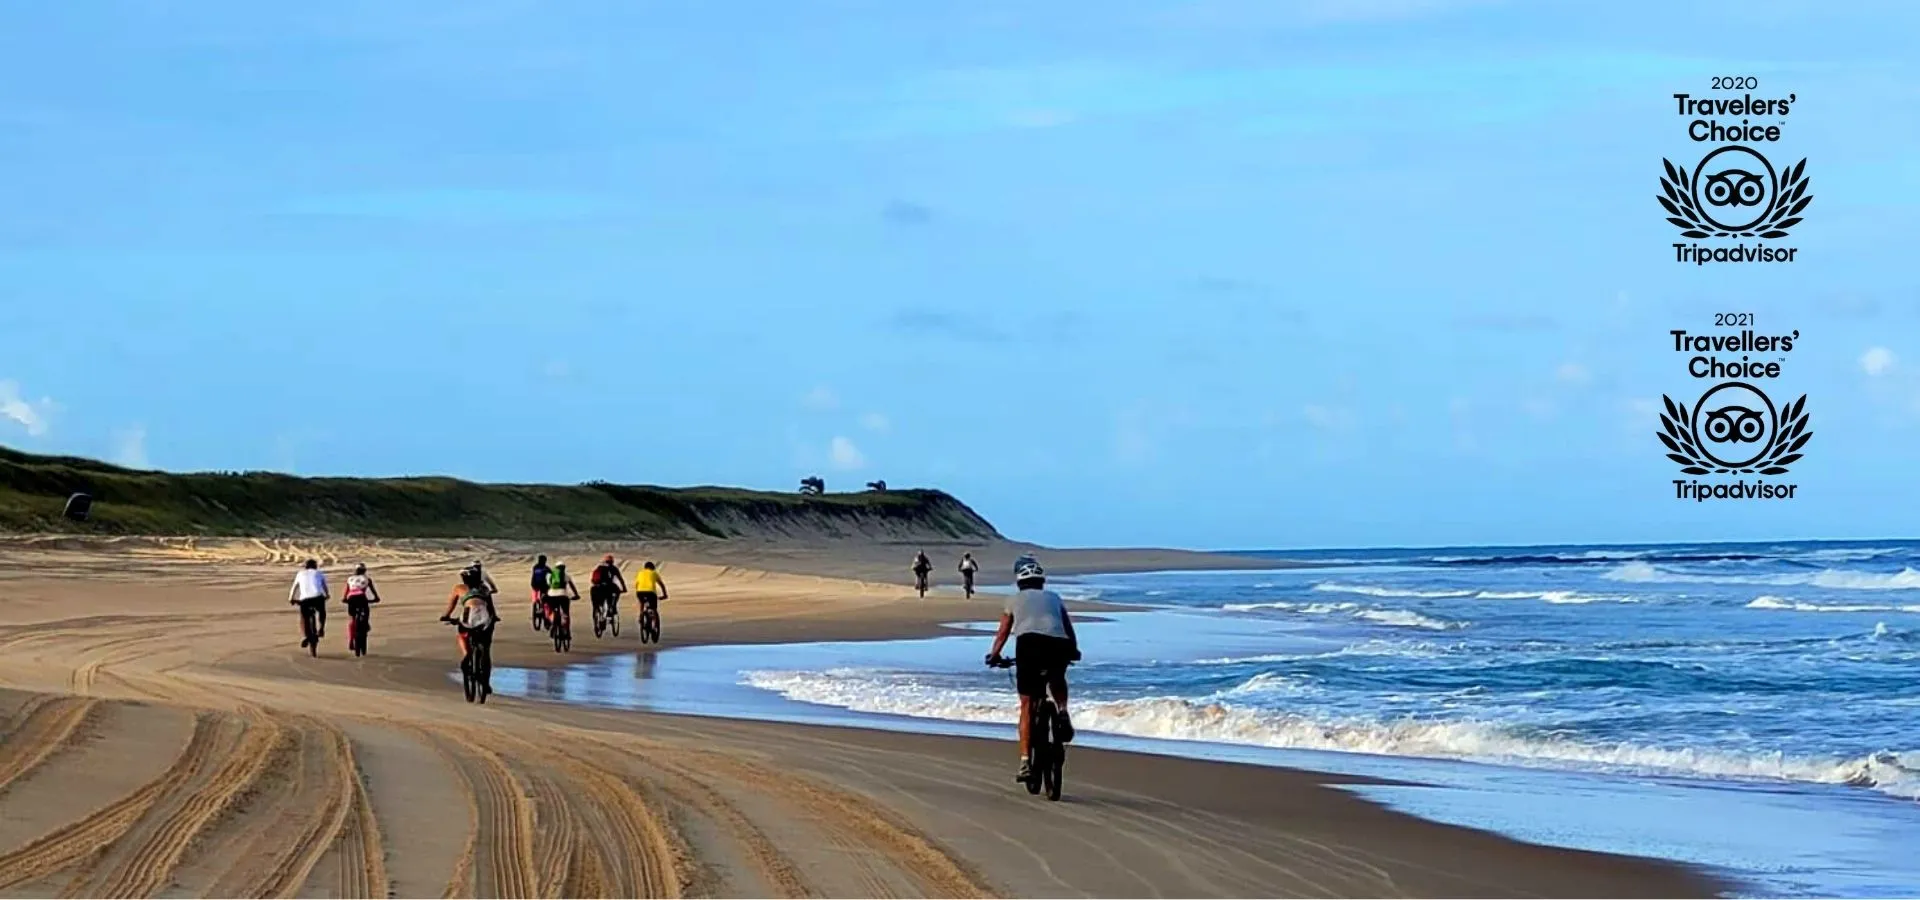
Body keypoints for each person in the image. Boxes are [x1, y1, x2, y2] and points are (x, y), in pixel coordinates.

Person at [985, 554, 1079, 782]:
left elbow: (1003, 632)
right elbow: (1068, 627)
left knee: (1027, 704)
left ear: (1019, 582)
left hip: (1029, 645)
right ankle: (1063, 711)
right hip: (1059, 643)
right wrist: (1073, 650)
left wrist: (995, 655)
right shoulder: (1055, 598)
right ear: (1042, 582)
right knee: (1057, 677)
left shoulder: (1013, 600)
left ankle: (1026, 762)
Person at [442, 571, 497, 696]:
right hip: (484, 614)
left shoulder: (459, 588)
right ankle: (486, 683)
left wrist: (446, 616)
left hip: (469, 614)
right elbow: (490, 607)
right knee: (486, 649)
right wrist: (494, 617)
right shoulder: (484, 588)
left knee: (462, 633)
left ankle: (467, 654)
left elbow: (452, 604)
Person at [287, 558, 330, 649]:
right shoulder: (318, 573)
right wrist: (327, 595)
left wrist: (291, 598)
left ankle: (305, 636)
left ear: (305, 566)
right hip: (317, 597)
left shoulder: (300, 573)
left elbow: (294, 587)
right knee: (322, 611)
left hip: (305, 599)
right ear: (315, 566)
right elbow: (324, 586)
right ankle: (321, 628)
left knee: (303, 618)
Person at [342, 563, 381, 648]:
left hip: (351, 599)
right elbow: (373, 591)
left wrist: (344, 599)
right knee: (366, 613)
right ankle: (366, 623)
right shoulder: (367, 579)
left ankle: (351, 640)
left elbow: (347, 591)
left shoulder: (350, 579)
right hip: (361, 598)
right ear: (364, 571)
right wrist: (376, 598)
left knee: (352, 619)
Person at [589, 553, 626, 625]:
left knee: (597, 603)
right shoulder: (613, 568)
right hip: (608, 587)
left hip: (596, 587)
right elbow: (620, 579)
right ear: (612, 562)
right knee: (614, 594)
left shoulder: (599, 567)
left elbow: (593, 579)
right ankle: (611, 608)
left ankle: (596, 613)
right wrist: (624, 588)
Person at [544, 561, 581, 633]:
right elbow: (572, 586)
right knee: (566, 613)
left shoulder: (550, 576)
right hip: (563, 596)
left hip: (551, 595)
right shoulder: (566, 576)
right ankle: (567, 630)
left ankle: (552, 622)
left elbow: (548, 586)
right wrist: (576, 595)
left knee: (551, 610)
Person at [530, 554, 553, 627]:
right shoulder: (546, 568)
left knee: (537, 597)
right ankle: (545, 612)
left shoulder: (535, 567)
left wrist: (532, 584)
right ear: (545, 561)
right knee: (546, 599)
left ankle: (537, 603)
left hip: (535, 584)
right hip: (543, 585)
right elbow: (552, 577)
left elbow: (533, 576)